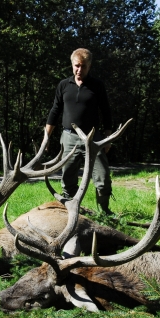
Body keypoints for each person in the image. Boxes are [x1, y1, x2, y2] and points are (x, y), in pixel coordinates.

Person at [45, 48, 115, 214]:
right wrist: (46, 137)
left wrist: (108, 137)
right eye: (76, 66)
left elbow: (106, 111)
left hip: (92, 138)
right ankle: (71, 212)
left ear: (89, 66)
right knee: (68, 179)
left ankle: (104, 213)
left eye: (83, 66)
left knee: (102, 178)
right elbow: (55, 111)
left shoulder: (97, 86)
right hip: (69, 138)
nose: (79, 70)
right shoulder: (64, 85)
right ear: (72, 64)